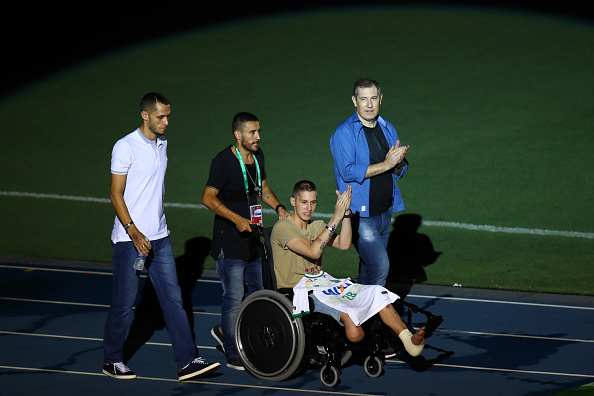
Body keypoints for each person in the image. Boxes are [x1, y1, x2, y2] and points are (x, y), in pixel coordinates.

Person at [103, 92, 220, 381]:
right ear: (145, 115)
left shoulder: (162, 144)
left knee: (174, 300)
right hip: (130, 240)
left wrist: (153, 230)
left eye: (168, 116)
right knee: (123, 302)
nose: (166, 122)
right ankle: (112, 360)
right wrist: (133, 230)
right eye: (160, 117)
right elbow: (115, 194)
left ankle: (187, 361)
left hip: (160, 237)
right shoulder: (125, 147)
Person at [271, 180, 426, 357]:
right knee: (355, 333)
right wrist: (335, 217)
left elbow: (344, 244)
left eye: (313, 202)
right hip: (301, 291)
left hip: (323, 283)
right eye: (303, 202)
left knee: (376, 292)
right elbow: (313, 252)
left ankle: (408, 340)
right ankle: (366, 337)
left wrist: (345, 217)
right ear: (293, 202)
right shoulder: (283, 228)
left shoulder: (316, 226)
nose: (309, 208)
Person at [202, 112, 291, 370]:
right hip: (229, 241)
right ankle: (231, 351)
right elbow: (208, 198)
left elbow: (262, 187)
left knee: (258, 292)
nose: (258, 137)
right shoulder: (222, 161)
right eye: (252, 132)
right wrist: (236, 219)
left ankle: (233, 334)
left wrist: (280, 207)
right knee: (234, 296)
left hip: (254, 238)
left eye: (259, 131)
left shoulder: (258, 156)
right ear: (238, 135)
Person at [330, 77, 410, 286]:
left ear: (380, 99)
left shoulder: (386, 127)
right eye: (363, 99)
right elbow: (347, 172)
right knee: (380, 268)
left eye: (373, 98)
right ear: (355, 101)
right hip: (361, 216)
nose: (369, 104)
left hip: (384, 212)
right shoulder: (344, 133)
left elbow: (400, 167)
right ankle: (378, 315)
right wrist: (386, 164)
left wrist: (399, 164)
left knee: (368, 269)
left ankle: (360, 318)